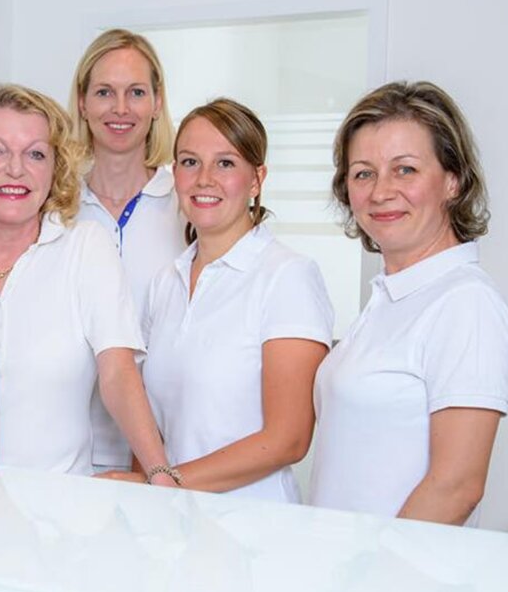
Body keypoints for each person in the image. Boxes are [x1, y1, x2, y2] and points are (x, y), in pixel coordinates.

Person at [0, 83, 179, 486]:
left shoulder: (85, 247)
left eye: (36, 154)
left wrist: (159, 473)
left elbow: (118, 373)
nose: (15, 169)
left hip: (59, 508)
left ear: (55, 170)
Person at [308, 81, 508, 526]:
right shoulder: (391, 299)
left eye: (405, 169)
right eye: (363, 173)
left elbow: (456, 486)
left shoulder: (465, 304)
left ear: (453, 181)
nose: (381, 191)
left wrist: (375, 568)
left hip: (395, 569)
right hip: (336, 561)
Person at [101, 98, 334, 501]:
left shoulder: (287, 276)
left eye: (225, 163)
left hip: (252, 523)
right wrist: (149, 502)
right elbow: (150, 428)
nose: (204, 179)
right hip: (171, 520)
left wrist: (158, 485)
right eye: (190, 162)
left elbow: (289, 439)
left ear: (257, 179)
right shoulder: (166, 284)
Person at [68, 28, 188, 473]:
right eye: (104, 92)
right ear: (82, 102)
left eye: (136, 92)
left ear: (157, 102)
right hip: (72, 454)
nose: (120, 108)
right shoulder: (54, 208)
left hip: (168, 454)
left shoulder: (189, 203)